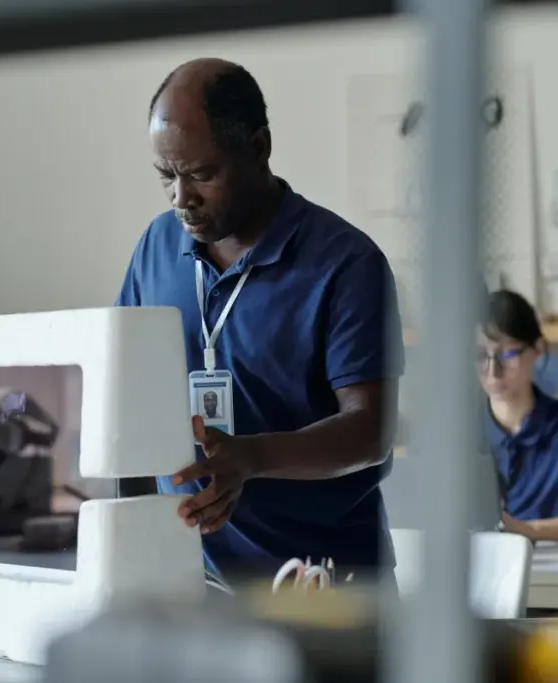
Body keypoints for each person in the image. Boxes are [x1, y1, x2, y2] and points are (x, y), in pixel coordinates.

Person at [115, 58, 405, 584]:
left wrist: (251, 457)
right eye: (167, 176)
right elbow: (120, 388)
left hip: (326, 587)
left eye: (202, 174)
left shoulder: (344, 264)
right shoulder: (156, 249)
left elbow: (371, 429)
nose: (182, 198)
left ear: (258, 147)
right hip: (189, 586)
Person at [478, 290, 558, 543]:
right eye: (480, 355)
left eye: (508, 353)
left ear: (538, 349)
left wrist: (528, 531)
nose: (493, 370)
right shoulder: (453, 433)